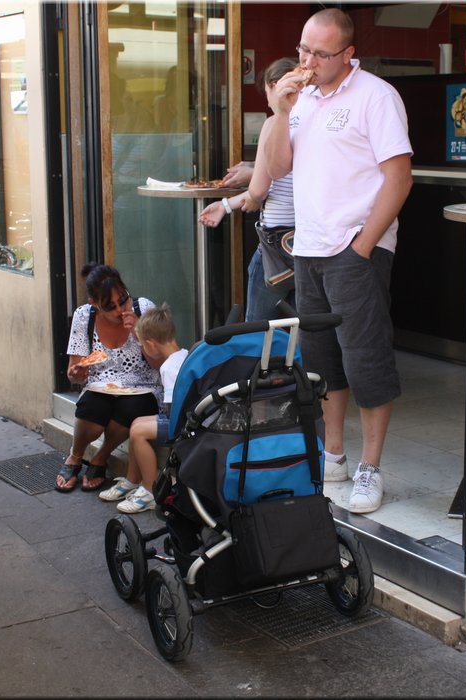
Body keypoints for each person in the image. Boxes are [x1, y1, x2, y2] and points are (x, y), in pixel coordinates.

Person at [260, 8, 413, 514]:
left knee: (365, 359)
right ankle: (334, 455)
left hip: (353, 248)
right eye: (303, 50)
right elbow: (278, 167)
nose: (308, 62)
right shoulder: (300, 98)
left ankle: (370, 466)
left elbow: (399, 179)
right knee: (322, 361)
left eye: (321, 54)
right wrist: (279, 111)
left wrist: (363, 246)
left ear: (348, 53)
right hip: (308, 247)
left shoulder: (375, 96)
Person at [199, 57, 299, 321]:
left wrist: (252, 187)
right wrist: (226, 204)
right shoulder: (315, 123)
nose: (267, 101)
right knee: (302, 328)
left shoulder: (274, 123)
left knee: (257, 327)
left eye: (266, 92)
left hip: (276, 244)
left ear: (276, 86)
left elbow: (259, 190)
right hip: (307, 242)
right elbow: (284, 182)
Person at [58, 263, 162, 493]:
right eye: (110, 306)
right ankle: (75, 456)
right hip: (100, 385)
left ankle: (101, 457)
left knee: (134, 407)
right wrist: (77, 374)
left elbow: (160, 363)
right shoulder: (84, 316)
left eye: (123, 300)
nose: (119, 310)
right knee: (91, 408)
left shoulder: (144, 309)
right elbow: (74, 371)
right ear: (94, 304)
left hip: (143, 385)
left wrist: (139, 333)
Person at [111, 303, 188, 514]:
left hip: (183, 426)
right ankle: (133, 480)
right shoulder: (184, 354)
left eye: (143, 346)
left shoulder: (168, 367)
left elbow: (174, 410)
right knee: (137, 423)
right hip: (189, 419)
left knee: (139, 431)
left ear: (151, 345)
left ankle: (150, 490)